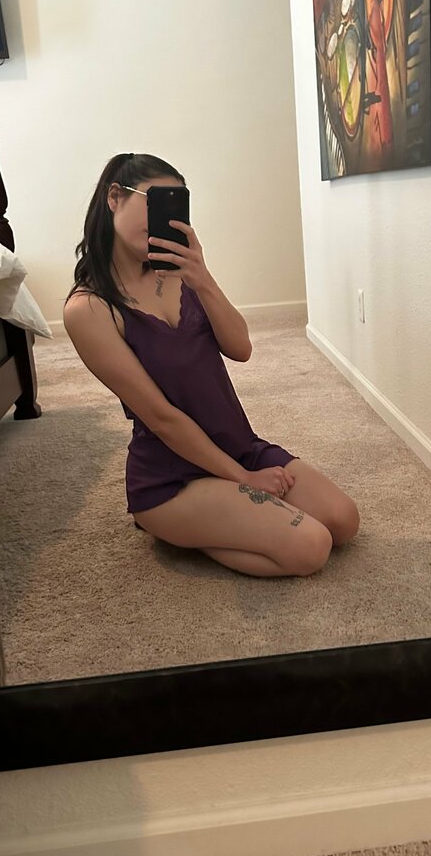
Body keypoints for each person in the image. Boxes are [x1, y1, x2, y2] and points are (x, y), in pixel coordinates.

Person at [63, 152, 360, 578]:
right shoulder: (89, 310)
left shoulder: (181, 274)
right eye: (153, 199)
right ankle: (176, 527)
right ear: (114, 197)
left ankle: (216, 521)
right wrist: (243, 479)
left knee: (343, 522)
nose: (164, 216)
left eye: (176, 203)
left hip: (240, 445)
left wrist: (202, 278)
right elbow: (162, 418)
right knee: (311, 547)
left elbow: (241, 348)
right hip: (172, 477)